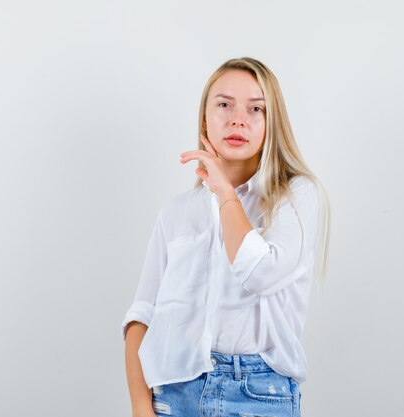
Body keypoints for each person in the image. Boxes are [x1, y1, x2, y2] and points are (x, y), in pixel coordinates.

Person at [121, 57, 331, 417]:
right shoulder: (176, 213)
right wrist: (142, 407)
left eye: (256, 109)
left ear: (271, 122)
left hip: (260, 395)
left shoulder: (296, 198)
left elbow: (260, 272)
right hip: (176, 393)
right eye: (224, 105)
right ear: (205, 118)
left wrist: (225, 195)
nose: (238, 119)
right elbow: (142, 315)